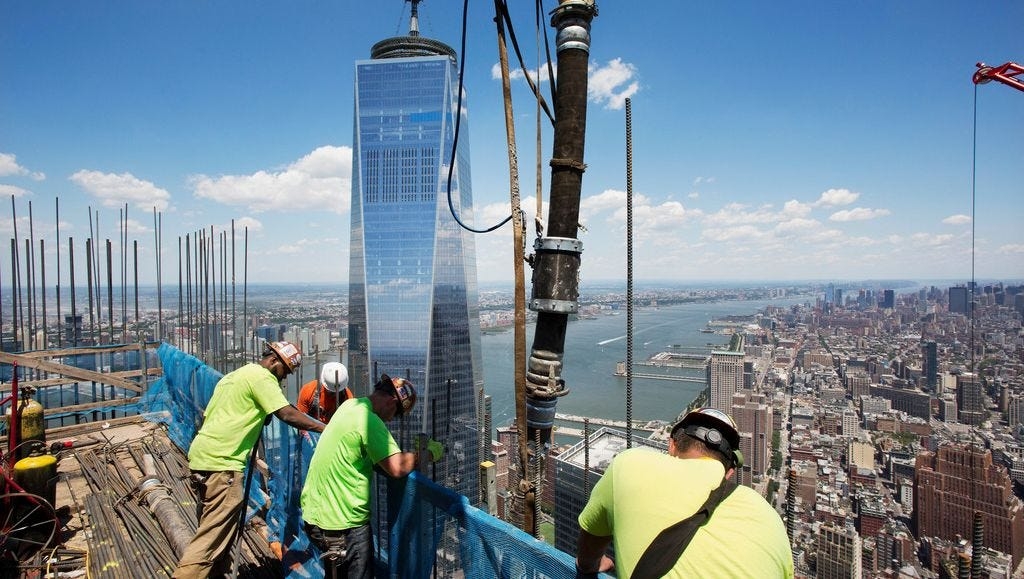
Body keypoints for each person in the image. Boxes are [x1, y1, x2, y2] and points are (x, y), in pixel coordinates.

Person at [575, 407, 794, 578]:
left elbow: (587, 556)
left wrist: (590, 566)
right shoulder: (769, 517)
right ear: (729, 472)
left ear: (671, 445)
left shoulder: (629, 463)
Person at [173, 341, 327, 579]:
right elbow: (286, 413)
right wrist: (325, 428)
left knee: (220, 530)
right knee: (209, 541)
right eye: (285, 371)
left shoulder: (235, 376)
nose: (284, 377)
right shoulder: (262, 378)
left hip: (202, 458)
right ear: (274, 361)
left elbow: (215, 415)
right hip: (223, 465)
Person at [300, 373, 443, 579]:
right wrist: (429, 453)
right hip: (343, 523)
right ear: (392, 401)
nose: (392, 419)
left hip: (315, 516)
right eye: (397, 412)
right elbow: (397, 467)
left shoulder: (349, 406)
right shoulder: (369, 420)